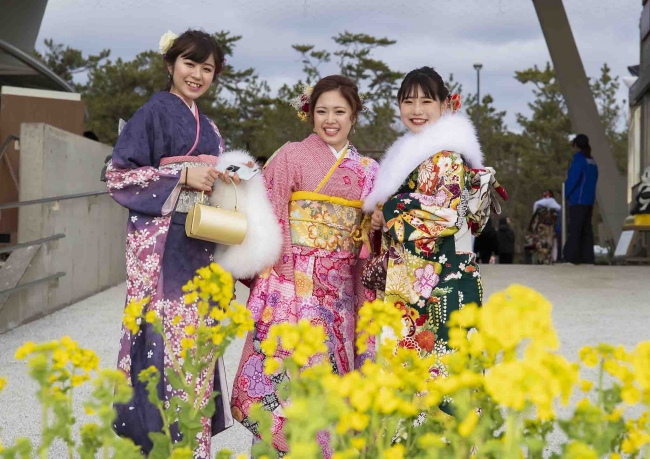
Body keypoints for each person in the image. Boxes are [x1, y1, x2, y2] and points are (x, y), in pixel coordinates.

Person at [106, 30, 278, 457]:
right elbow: (118, 176)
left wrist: (229, 175)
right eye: (189, 64)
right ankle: (164, 446)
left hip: (201, 246)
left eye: (207, 68)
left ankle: (193, 445)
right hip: (163, 249)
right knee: (163, 349)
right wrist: (180, 176)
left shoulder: (212, 128)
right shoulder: (152, 114)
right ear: (170, 64)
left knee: (197, 351)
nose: (197, 75)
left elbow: (214, 180)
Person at [230, 75, 379, 457]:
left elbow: (372, 238)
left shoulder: (368, 169)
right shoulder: (292, 156)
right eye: (322, 111)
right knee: (290, 375)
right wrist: (280, 283)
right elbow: (271, 217)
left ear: (354, 116)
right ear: (310, 114)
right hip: (294, 284)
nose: (331, 120)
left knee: (338, 380)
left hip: (345, 289)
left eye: (340, 112)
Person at [364, 66, 505, 420]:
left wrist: (390, 207)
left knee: (440, 375)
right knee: (424, 375)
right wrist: (381, 214)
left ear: (445, 104)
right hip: (421, 279)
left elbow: (440, 215)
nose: (417, 109)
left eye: (427, 100)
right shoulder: (413, 153)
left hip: (439, 281)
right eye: (408, 101)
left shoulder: (444, 155)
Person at [563, 134, 598, 264]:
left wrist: (565, 194)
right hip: (589, 201)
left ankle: (571, 257)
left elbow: (573, 179)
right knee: (587, 230)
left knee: (575, 229)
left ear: (576, 145)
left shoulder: (579, 160)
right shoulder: (592, 161)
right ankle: (587, 258)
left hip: (578, 200)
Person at [526, 190, 560, 264]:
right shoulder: (556, 209)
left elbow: (533, 222)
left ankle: (544, 258)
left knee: (543, 243)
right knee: (549, 243)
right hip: (549, 229)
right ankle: (548, 258)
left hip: (542, 229)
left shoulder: (538, 206)